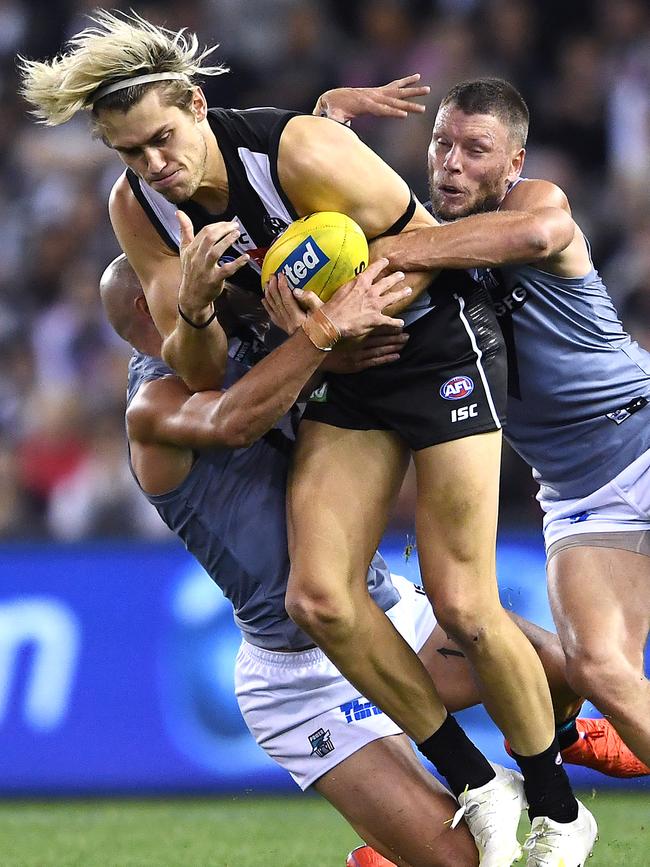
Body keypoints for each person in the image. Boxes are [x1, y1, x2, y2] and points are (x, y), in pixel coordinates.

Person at [20, 15, 591, 863]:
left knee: (482, 614)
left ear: (199, 105)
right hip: (339, 378)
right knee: (318, 600)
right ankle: (481, 782)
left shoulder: (294, 155)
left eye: (161, 140)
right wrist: (207, 306)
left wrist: (344, 304)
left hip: (428, 342)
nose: (153, 166)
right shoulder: (140, 220)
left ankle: (557, 797)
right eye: (129, 154)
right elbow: (209, 374)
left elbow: (427, 243)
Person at [100, 254, 631, 867]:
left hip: (385, 616)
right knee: (465, 862)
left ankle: (558, 737)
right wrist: (323, 338)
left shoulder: (245, 338)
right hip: (301, 678)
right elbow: (235, 418)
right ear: (147, 307)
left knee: (569, 674)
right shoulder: (152, 406)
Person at [326, 77, 650, 775]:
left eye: (477, 150)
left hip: (643, 433)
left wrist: (396, 253)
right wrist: (325, 124)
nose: (452, 162)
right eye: (442, 144)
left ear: (513, 165)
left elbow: (536, 233)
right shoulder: (416, 240)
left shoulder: (532, 204)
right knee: (598, 667)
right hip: (576, 492)